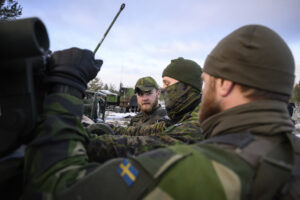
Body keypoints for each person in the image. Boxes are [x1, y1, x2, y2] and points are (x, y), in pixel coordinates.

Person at [24, 25, 299, 199]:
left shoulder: (198, 167)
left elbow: (56, 188)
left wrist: (65, 91)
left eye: (208, 81)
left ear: (225, 84)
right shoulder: (286, 151)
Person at [86, 58, 204, 162]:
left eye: (167, 84)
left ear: (186, 87)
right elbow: (141, 132)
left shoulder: (200, 122)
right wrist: (104, 127)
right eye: (140, 94)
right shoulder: (180, 117)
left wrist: (87, 143)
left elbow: (152, 147)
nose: (163, 90)